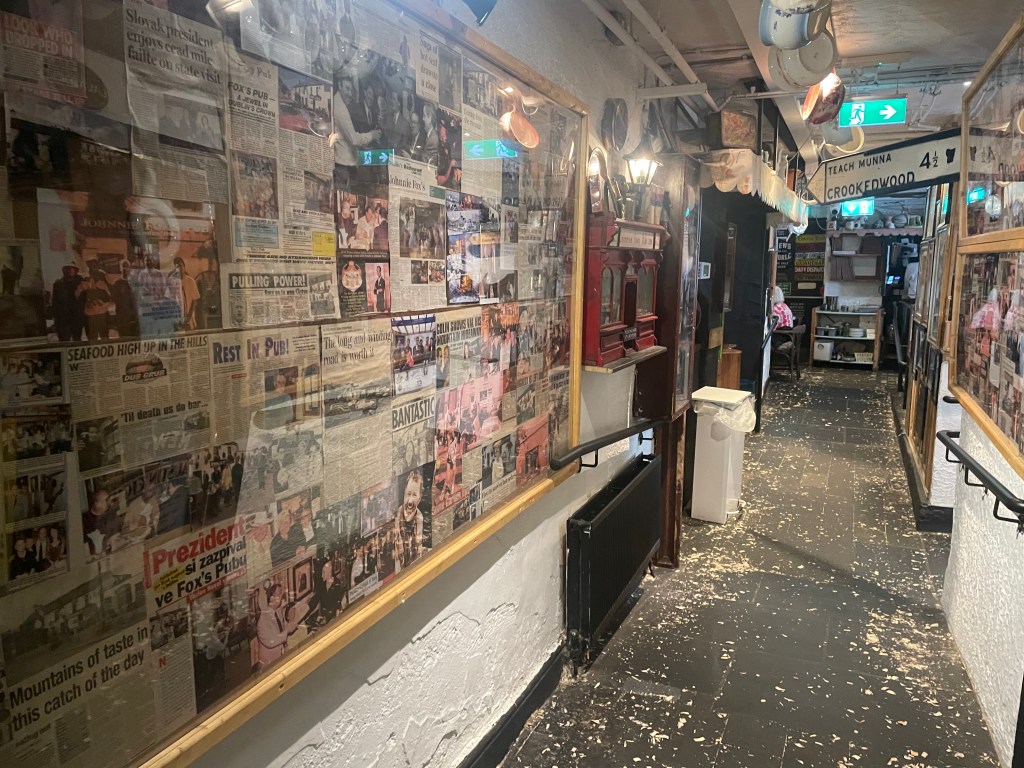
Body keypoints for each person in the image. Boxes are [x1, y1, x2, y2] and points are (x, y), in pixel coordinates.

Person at [332, 76, 381, 189]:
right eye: (347, 88)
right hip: (345, 164)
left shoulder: (374, 114)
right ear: (339, 85)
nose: (350, 93)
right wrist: (371, 135)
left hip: (356, 161)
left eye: (351, 90)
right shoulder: (344, 109)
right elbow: (354, 139)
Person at [254, 582, 309, 668]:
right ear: (271, 598)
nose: (281, 597)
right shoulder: (262, 620)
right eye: (279, 594)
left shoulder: (278, 611)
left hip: (280, 657)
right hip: (269, 663)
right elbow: (271, 642)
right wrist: (287, 631)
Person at [394, 471, 426, 572]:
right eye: (408, 494)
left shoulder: (419, 518)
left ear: (419, 499)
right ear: (404, 494)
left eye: (414, 495)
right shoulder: (398, 513)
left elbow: (418, 545)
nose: (410, 501)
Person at [82, 487, 121, 556]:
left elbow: (118, 531)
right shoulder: (85, 520)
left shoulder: (112, 514)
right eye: (105, 500)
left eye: (108, 499)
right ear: (96, 503)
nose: (109, 503)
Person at [52, 264, 85, 341]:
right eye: (67, 268)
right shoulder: (58, 284)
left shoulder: (81, 283)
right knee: (64, 340)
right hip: (63, 319)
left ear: (75, 270)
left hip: (76, 317)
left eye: (72, 268)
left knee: (77, 339)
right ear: (64, 270)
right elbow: (55, 303)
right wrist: (56, 321)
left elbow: (85, 300)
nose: (70, 270)